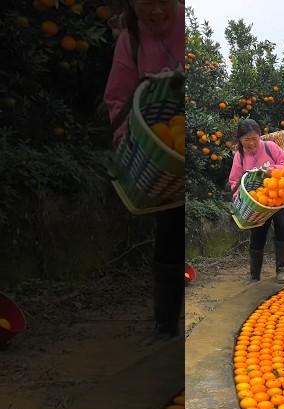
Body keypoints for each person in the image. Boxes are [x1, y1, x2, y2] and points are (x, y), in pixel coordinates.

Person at [103, 0, 185, 337]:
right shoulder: (131, 38)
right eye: (145, 3)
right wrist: (135, 136)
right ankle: (165, 326)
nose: (155, 11)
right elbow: (118, 99)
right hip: (157, 155)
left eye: (163, 2)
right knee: (168, 235)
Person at [229, 119, 284, 283]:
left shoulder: (270, 147)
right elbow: (234, 181)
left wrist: (271, 171)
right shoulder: (240, 155)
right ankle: (254, 274)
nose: (251, 143)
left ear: (259, 137)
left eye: (254, 138)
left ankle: (281, 270)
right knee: (257, 236)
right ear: (240, 139)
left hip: (280, 198)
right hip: (257, 204)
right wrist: (238, 196)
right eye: (246, 139)